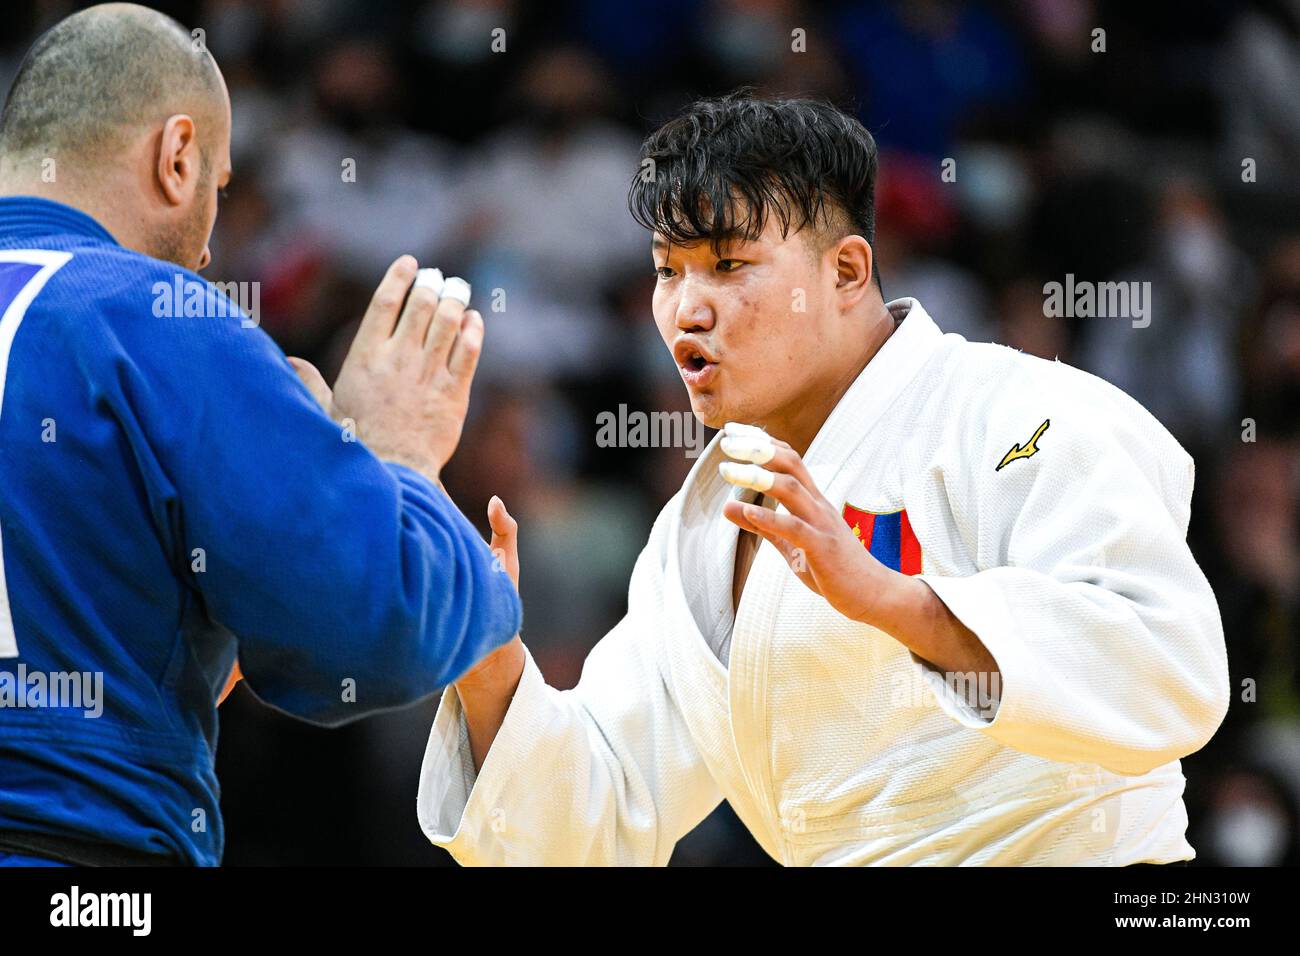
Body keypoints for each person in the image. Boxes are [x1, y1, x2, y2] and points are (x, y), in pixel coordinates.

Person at [417, 93, 1230, 866]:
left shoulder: (1022, 415)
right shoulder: (701, 526)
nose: (688, 309)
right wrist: (484, 654)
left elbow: (1171, 667)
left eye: (729, 263)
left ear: (846, 272)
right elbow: (595, 813)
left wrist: (894, 601)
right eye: (669, 270)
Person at [0, 3, 519, 867]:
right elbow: (375, 634)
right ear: (176, 158)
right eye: (220, 186)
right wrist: (395, 459)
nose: (207, 248)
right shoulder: (157, 317)